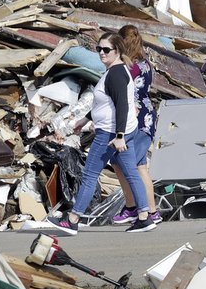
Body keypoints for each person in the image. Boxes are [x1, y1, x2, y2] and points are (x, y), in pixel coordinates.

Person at [50, 31, 155, 235]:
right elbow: (104, 103)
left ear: (117, 51)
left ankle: (72, 219)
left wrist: (119, 136)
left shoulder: (115, 74)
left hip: (109, 134)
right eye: (99, 49)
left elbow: (122, 106)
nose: (101, 53)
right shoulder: (118, 70)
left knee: (89, 175)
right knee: (132, 174)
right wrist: (84, 120)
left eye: (106, 49)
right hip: (120, 131)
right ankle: (144, 216)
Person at [111, 25, 160, 225]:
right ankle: (145, 209)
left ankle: (138, 208)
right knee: (135, 165)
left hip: (135, 118)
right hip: (147, 117)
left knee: (130, 165)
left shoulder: (126, 67)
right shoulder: (146, 64)